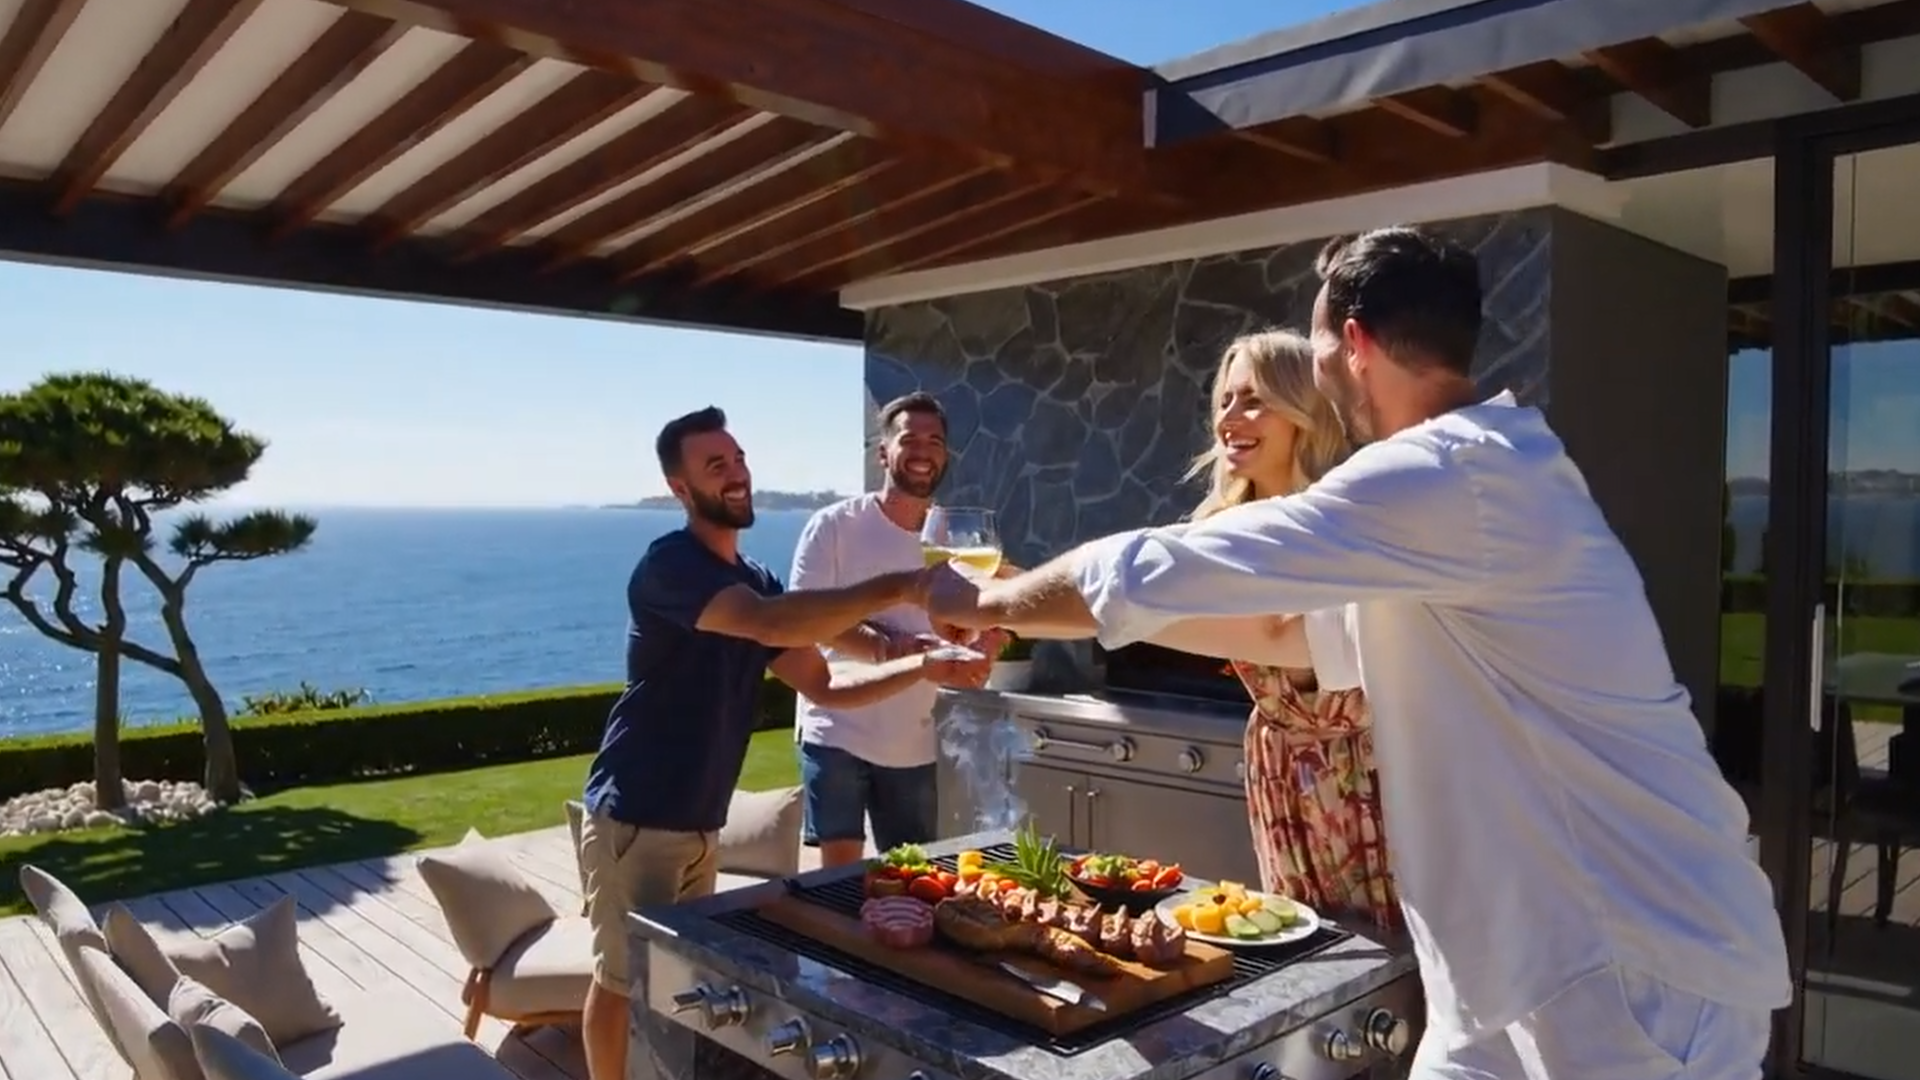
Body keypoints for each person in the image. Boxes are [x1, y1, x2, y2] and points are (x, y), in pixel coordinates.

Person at [915, 227, 1792, 1079]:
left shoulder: (1449, 473)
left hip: (1632, 962)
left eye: (1318, 346)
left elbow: (1161, 567)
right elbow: (1288, 633)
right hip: (1510, 968)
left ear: (1356, 343)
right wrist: (1038, 600)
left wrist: (985, 601)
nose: (1318, 370)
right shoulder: (1476, 481)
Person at [579, 405, 991, 1080]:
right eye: (716, 465)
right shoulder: (671, 566)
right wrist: (905, 584)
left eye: (739, 458)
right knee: (623, 978)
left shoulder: (755, 579)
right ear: (680, 488)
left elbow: (825, 684)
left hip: (698, 821)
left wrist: (923, 665)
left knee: (678, 975)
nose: (737, 473)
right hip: (637, 817)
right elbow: (770, 623)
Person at [1141, 329, 1396, 931]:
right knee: (1298, 938)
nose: (1229, 418)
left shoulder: (1343, 525)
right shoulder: (1218, 531)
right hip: (1278, 762)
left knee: (1387, 953)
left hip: (1366, 769)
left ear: (1303, 410)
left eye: (1254, 401)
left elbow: (1288, 641)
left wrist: (1094, 609)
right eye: (1225, 400)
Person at [789, 392, 1005, 867]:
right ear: (884, 453)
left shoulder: (957, 539)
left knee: (912, 875)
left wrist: (986, 641)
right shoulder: (834, 526)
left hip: (912, 739)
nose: (923, 451)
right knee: (840, 880)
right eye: (910, 439)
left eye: (935, 441)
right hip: (835, 728)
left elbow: (989, 610)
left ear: (945, 456)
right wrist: (894, 648)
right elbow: (807, 621)